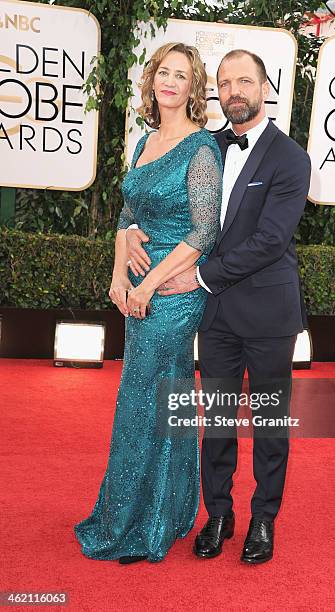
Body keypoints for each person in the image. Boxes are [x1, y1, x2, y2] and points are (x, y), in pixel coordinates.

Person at [126, 49, 311, 565]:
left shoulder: (289, 157)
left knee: (272, 423)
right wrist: (133, 230)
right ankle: (219, 515)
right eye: (225, 82)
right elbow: (174, 208)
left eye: (244, 81)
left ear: (264, 87)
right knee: (217, 422)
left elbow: (271, 240)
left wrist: (200, 276)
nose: (234, 91)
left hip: (268, 314)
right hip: (217, 316)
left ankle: (264, 519)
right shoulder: (207, 145)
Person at [73, 42, 222, 563]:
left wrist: (148, 284)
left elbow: (205, 231)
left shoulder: (202, 148)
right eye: (164, 72)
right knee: (168, 398)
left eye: (182, 75)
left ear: (193, 88)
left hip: (175, 295)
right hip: (137, 290)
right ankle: (173, 508)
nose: (170, 82)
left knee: (144, 401)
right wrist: (118, 273)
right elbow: (125, 215)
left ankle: (141, 523)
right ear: (152, 80)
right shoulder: (145, 142)